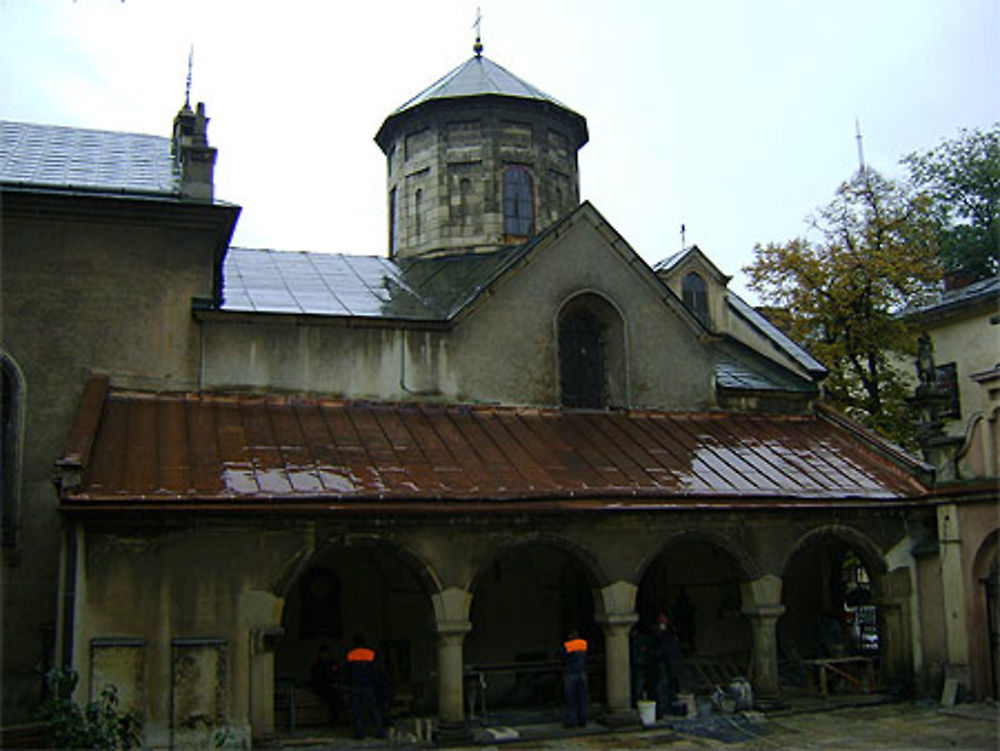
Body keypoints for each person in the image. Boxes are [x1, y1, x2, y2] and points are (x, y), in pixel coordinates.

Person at [346, 634, 386, 739]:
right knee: (373, 710)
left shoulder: (350, 654)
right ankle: (380, 731)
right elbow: (375, 671)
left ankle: (360, 734)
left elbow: (346, 671)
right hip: (368, 686)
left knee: (357, 712)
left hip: (355, 686)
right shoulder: (371, 654)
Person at [651, 613, 684, 717]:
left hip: (669, 667)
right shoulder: (665, 636)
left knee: (667, 690)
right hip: (667, 667)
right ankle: (666, 710)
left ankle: (667, 710)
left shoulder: (668, 636)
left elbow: (664, 651)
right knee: (666, 689)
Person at [308, 644, 343, 726]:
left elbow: (337, 674)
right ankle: (334, 721)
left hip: (332, 687)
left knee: (337, 699)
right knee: (332, 698)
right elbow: (316, 677)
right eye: (323, 654)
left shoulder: (333, 664)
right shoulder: (317, 665)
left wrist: (336, 683)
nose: (325, 656)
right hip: (322, 687)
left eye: (326, 654)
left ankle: (336, 721)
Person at [559, 629, 588, 727]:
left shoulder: (567, 646)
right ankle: (582, 719)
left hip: (571, 673)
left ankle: (572, 720)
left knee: (571, 699)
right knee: (582, 697)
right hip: (582, 672)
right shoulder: (583, 643)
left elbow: (563, 657)